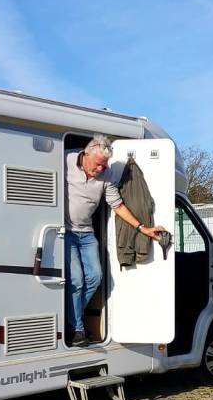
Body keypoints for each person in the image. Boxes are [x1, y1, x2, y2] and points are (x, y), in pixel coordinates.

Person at [64, 135, 165, 347]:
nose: (101, 168)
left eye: (105, 164)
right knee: (77, 280)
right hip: (65, 231)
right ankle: (77, 329)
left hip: (86, 232)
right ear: (86, 154)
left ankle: (71, 318)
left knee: (95, 277)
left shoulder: (107, 175)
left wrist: (142, 228)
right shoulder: (65, 160)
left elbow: (117, 205)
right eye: (98, 164)